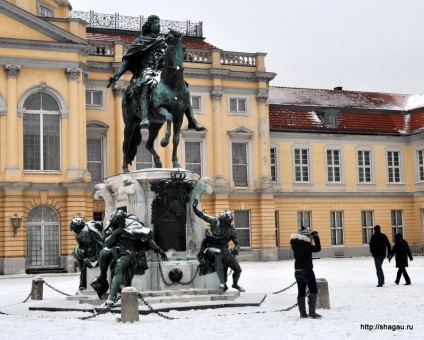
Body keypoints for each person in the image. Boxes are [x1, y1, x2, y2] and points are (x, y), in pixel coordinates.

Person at [107, 15, 204, 131]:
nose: (158, 26)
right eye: (155, 24)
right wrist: (117, 74)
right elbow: (128, 59)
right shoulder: (140, 41)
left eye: (159, 24)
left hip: (161, 69)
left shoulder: (162, 40)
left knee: (182, 87)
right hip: (147, 70)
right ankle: (145, 117)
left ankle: (192, 120)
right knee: (146, 83)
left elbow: (172, 51)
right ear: (149, 26)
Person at [91, 210, 167, 306]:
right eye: (118, 222)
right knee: (103, 252)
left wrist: (159, 250)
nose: (120, 223)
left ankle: (111, 298)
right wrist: (116, 233)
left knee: (118, 268)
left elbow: (147, 240)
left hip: (128, 253)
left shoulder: (132, 224)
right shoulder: (111, 226)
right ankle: (102, 276)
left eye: (121, 221)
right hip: (116, 250)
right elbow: (106, 243)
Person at [192, 198, 245, 292]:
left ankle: (235, 284)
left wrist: (236, 249)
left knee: (238, 270)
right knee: (217, 253)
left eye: (223, 215)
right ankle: (222, 282)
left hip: (225, 251)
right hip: (210, 249)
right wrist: (195, 207)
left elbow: (237, 243)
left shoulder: (231, 231)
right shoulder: (214, 222)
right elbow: (202, 215)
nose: (220, 215)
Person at [290, 226, 322, 318]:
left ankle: (302, 313)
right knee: (313, 290)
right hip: (307, 270)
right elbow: (318, 248)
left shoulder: (295, 244)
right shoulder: (307, 245)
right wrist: (316, 236)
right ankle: (312, 312)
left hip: (297, 271)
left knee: (301, 291)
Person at [69, 217, 103, 292]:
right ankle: (82, 285)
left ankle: (83, 285)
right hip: (94, 252)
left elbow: (87, 245)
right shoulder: (89, 225)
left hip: (94, 254)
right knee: (83, 263)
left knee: (84, 265)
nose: (74, 231)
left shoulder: (82, 234)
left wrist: (80, 251)